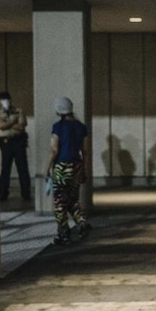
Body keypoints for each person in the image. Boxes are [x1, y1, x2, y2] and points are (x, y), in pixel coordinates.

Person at [45, 96, 92, 245]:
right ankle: (82, 223)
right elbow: (85, 151)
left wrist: (47, 168)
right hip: (76, 166)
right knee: (72, 199)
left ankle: (63, 235)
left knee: (60, 202)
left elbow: (54, 150)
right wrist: (84, 170)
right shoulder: (81, 127)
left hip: (61, 167)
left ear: (58, 111)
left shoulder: (57, 127)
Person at [0, 91, 32, 201]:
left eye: (6, 99)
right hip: (5, 142)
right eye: (2, 100)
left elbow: (21, 126)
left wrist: (8, 123)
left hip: (18, 141)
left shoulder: (19, 111)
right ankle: (3, 193)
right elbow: (1, 127)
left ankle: (26, 193)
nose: (5, 102)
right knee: (5, 168)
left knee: (22, 167)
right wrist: (13, 122)